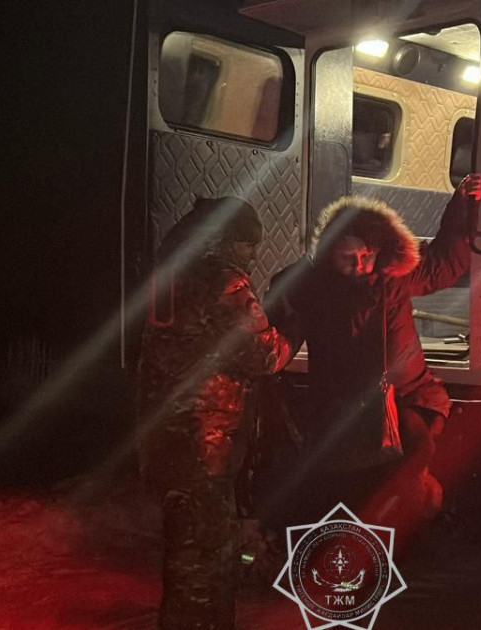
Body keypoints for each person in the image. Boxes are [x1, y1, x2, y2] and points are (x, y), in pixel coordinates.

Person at [267, 174, 481, 536]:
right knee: (345, 481)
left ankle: (411, 520)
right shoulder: (312, 288)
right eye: (347, 258)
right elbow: (278, 319)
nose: (358, 264)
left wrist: (464, 204)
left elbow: (445, 262)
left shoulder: (395, 276)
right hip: (342, 403)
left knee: (417, 452)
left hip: (406, 393)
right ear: (330, 254)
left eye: (365, 256)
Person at [137, 196, 293, 630]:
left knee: (183, 550)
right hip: (203, 442)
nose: (253, 255)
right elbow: (264, 355)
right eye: (248, 244)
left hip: (165, 435)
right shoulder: (223, 281)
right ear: (227, 240)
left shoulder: (171, 274)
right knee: (208, 556)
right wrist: (291, 331)